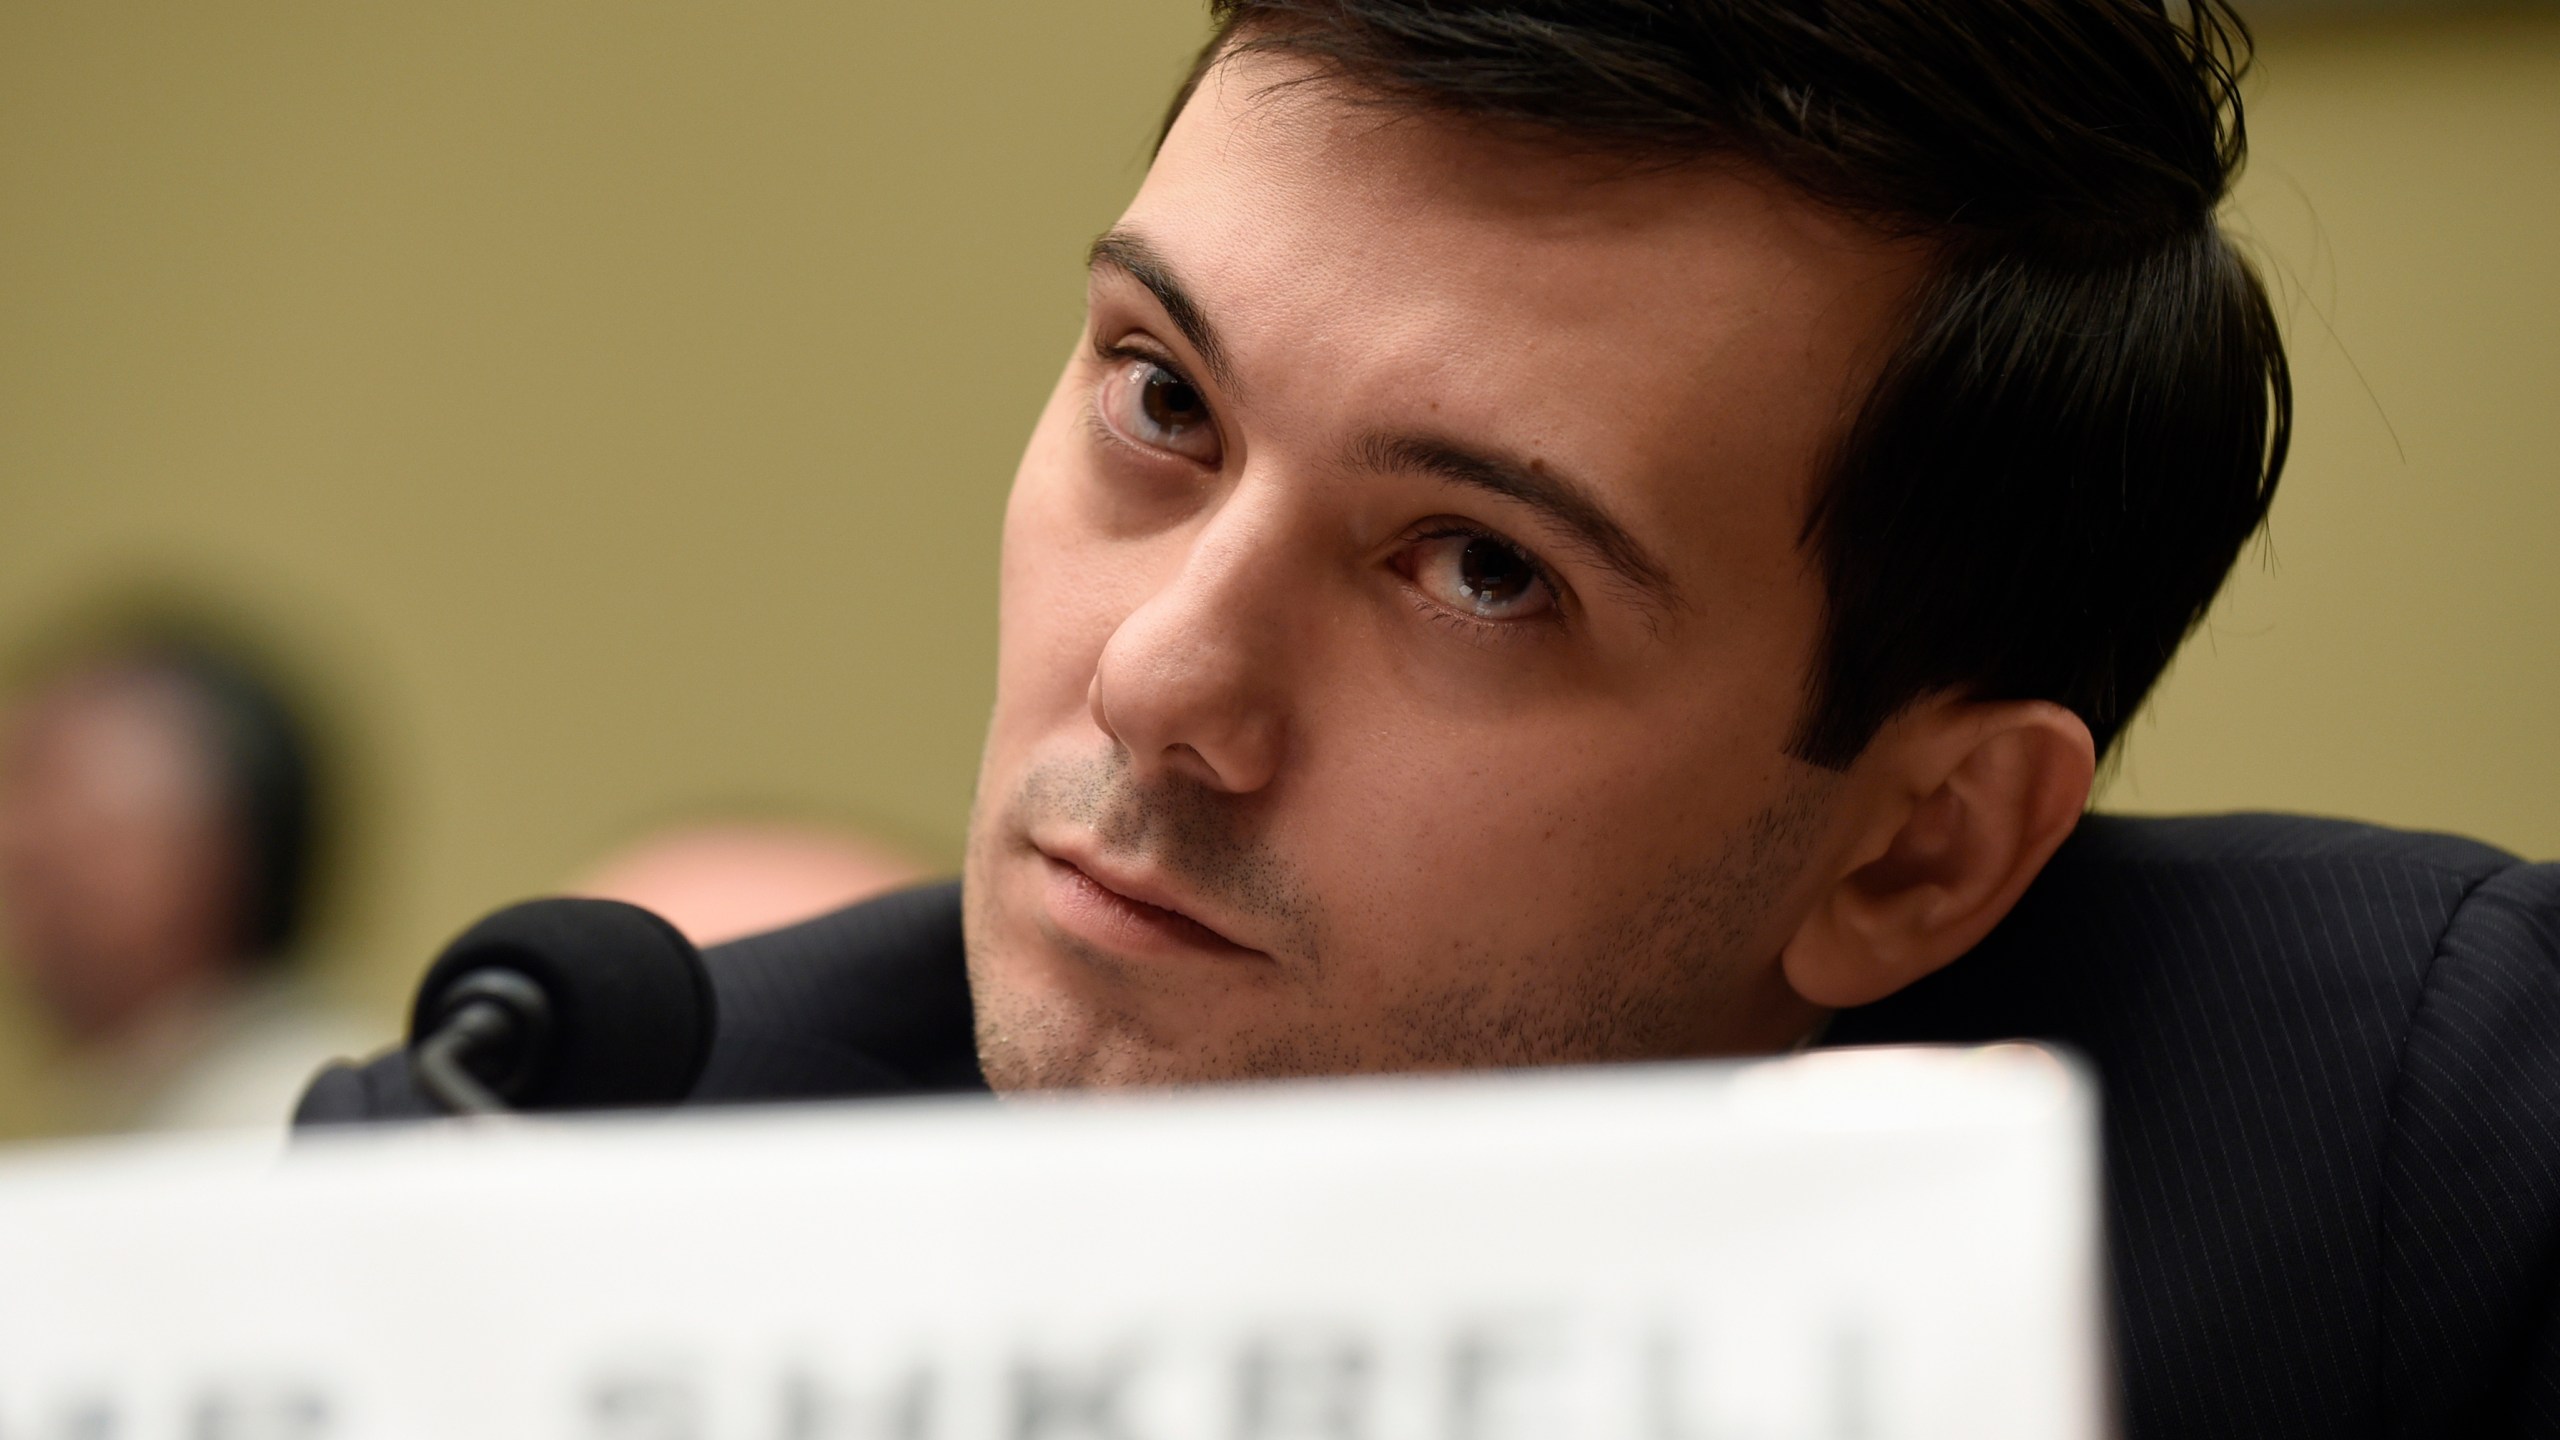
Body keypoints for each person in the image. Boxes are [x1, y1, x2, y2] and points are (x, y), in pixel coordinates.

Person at [302, 3, 2560, 1434]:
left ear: (1915, 846)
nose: (1159, 676)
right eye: (1161, 401)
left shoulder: (2402, 1192)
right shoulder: (532, 1203)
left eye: (1484, 566)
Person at [0, 623, 370, 1132]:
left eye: (46, 789)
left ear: (214, 853)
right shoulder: (146, 1110)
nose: (12, 841)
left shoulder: (297, 1125)